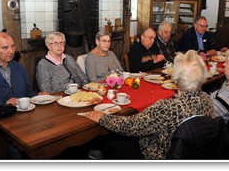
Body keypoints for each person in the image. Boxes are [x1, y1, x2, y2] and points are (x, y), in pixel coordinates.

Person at [86, 50, 215, 159]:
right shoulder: (207, 99)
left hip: (155, 155)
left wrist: (102, 118)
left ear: (174, 79)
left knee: (108, 146)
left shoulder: (168, 107)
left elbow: (131, 126)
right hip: (192, 155)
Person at [0, 32, 40, 108]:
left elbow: (29, 92)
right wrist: (4, 103)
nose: (11, 51)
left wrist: (38, 96)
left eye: (13, 46)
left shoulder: (18, 67)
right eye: (5, 47)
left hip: (22, 114)